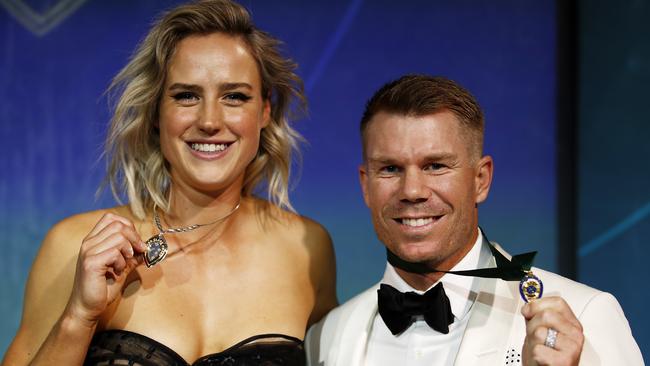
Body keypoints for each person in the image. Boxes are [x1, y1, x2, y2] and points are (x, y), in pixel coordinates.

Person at [2, 1, 337, 365]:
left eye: (234, 97)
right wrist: (79, 316)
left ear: (264, 111)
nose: (209, 120)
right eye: (186, 96)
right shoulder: (76, 247)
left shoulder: (307, 250)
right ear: (156, 111)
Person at [305, 75, 643, 365]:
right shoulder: (326, 336)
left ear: (481, 179)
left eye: (435, 165)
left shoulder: (584, 315)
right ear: (365, 185)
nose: (412, 191)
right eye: (390, 169)